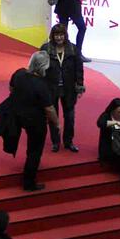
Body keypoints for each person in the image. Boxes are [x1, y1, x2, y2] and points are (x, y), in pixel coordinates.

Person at [6, 51, 57, 191]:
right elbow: (49, 108)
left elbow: (11, 89)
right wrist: (56, 123)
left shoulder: (19, 73)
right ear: (44, 66)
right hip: (35, 121)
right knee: (34, 151)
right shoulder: (41, 85)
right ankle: (29, 183)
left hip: (17, 115)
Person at [39, 24, 84, 153]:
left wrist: (79, 86)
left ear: (65, 35)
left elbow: (79, 69)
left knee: (70, 117)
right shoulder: (45, 49)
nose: (59, 37)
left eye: (61, 35)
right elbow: (39, 68)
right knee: (53, 117)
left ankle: (68, 142)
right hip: (50, 88)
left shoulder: (73, 49)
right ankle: (55, 142)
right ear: (52, 36)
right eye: (56, 35)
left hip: (69, 89)